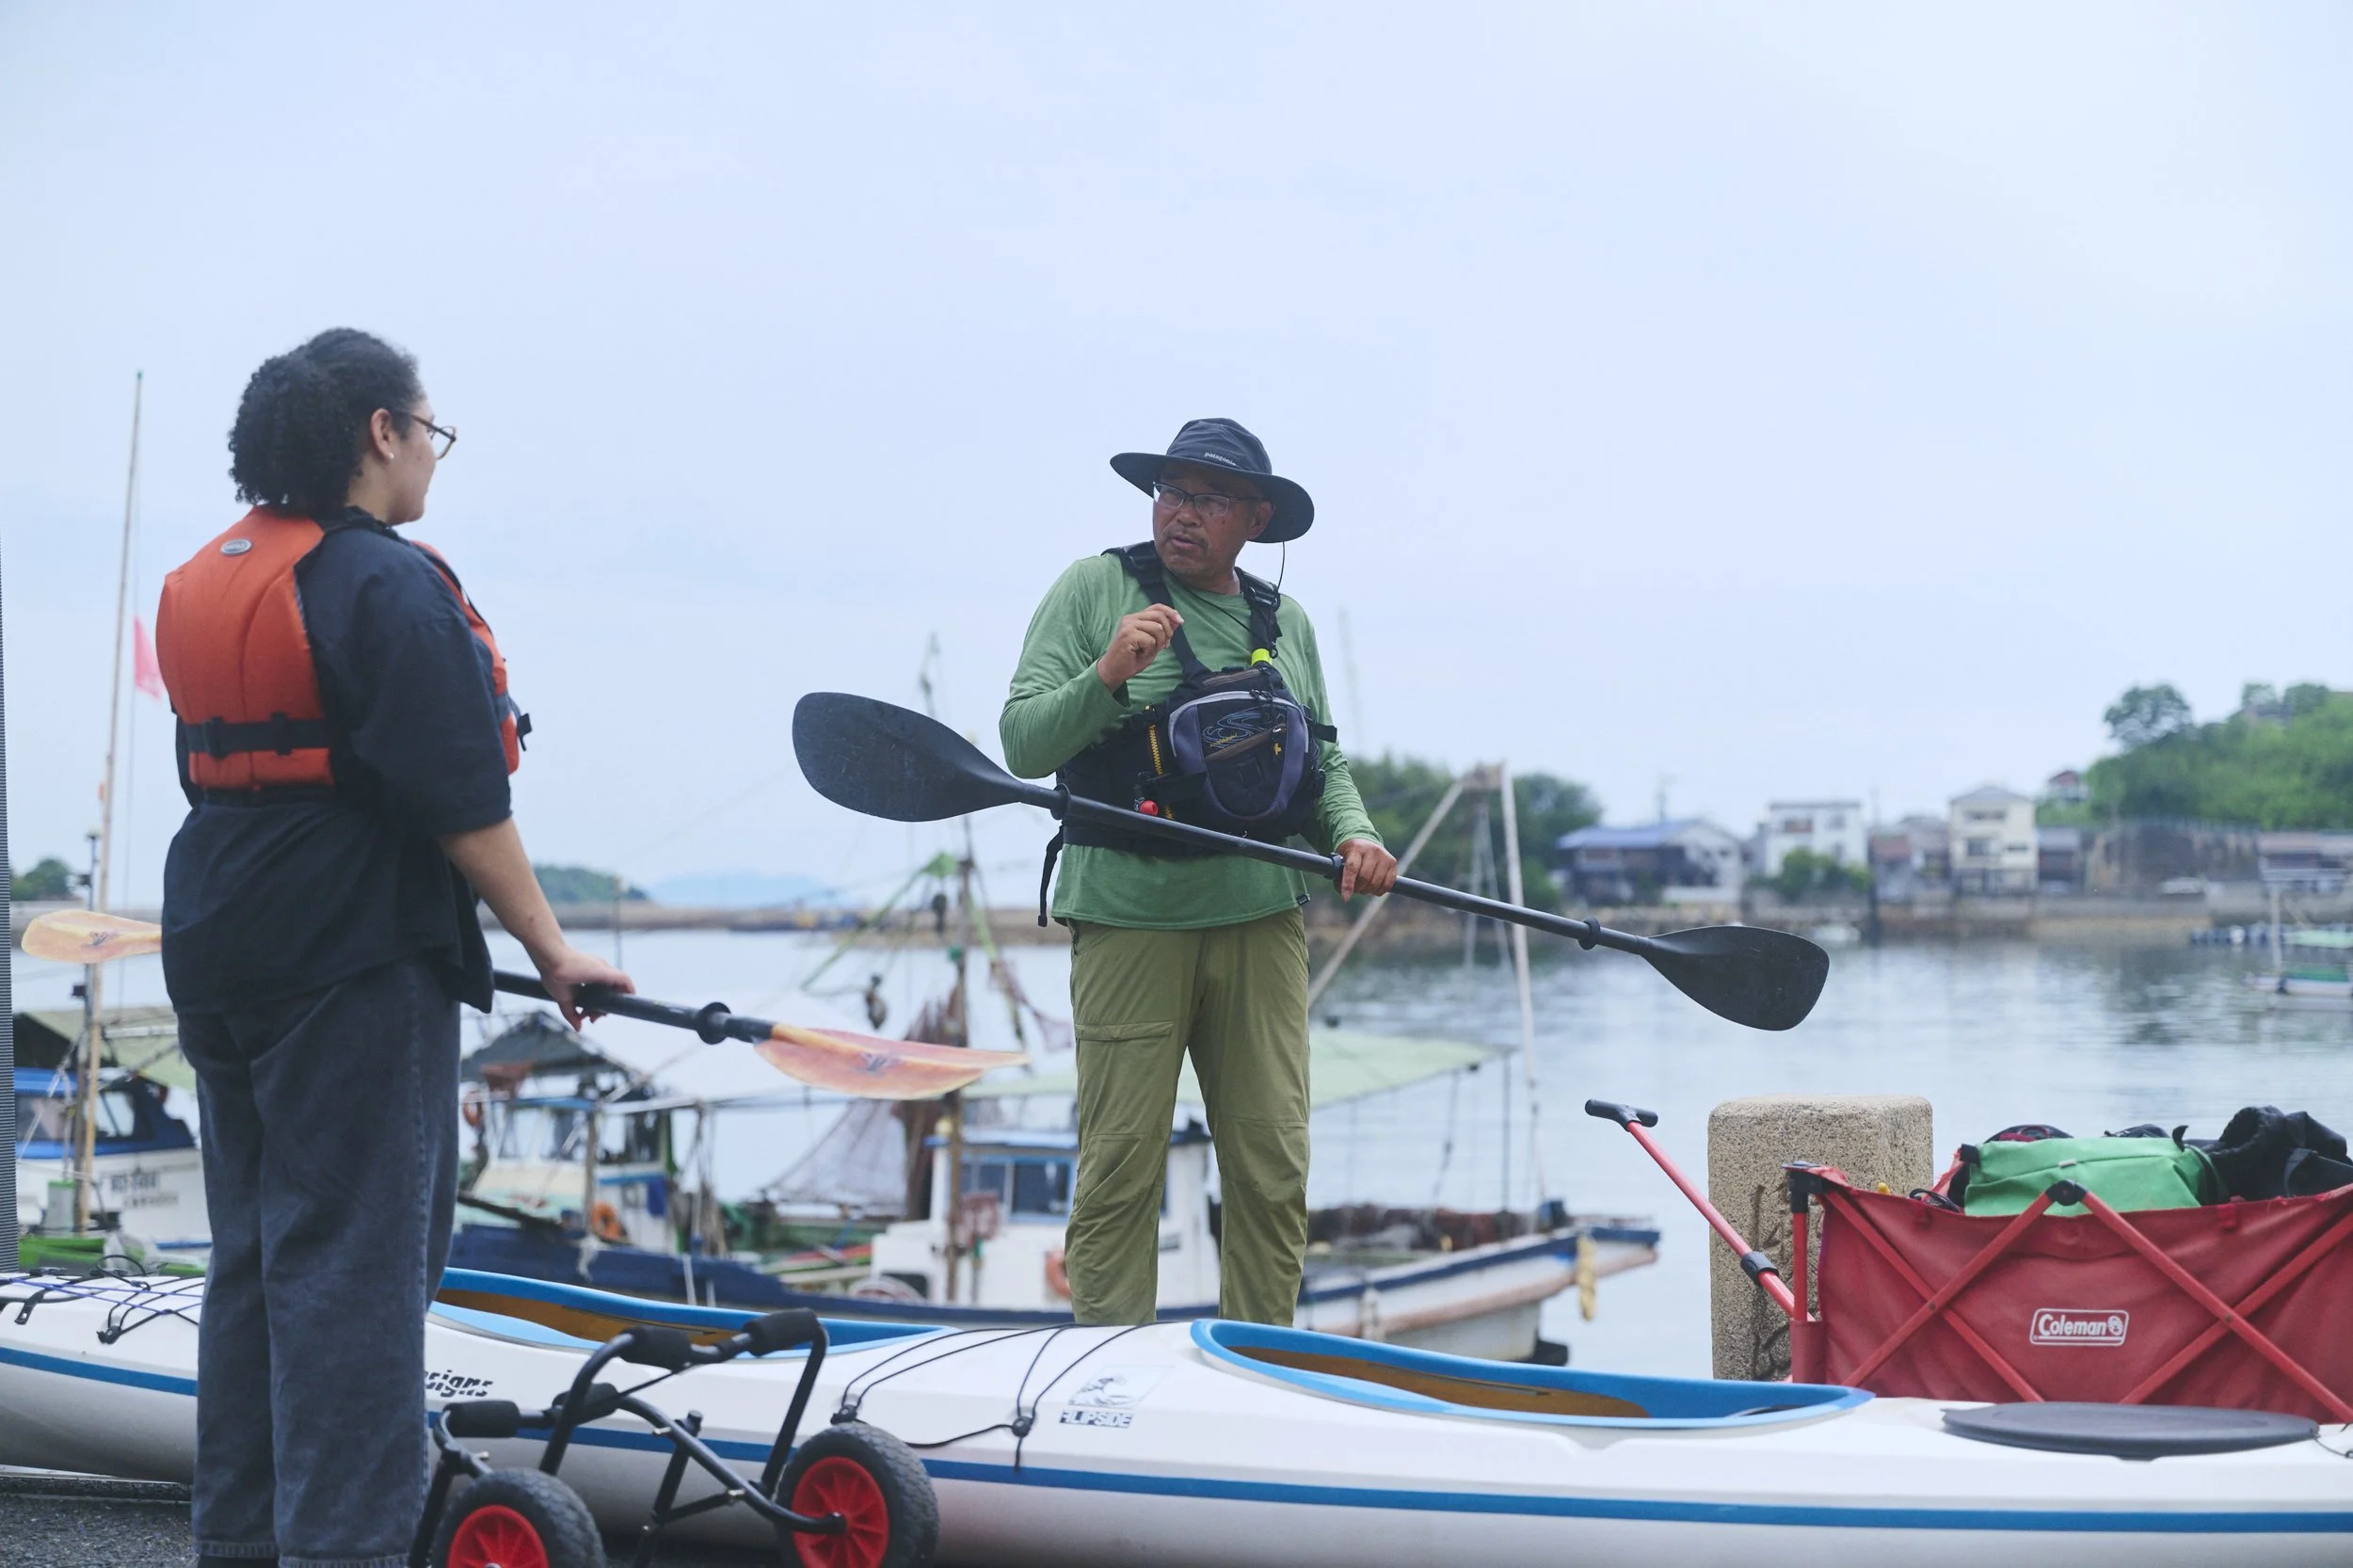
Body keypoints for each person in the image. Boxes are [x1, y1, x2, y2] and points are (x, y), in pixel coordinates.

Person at [153, 328, 633, 1568]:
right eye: (431, 432)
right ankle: (349, 1548)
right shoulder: (384, 580)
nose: (433, 456)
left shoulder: (207, 575)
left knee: (257, 1264)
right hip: (346, 955)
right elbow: (461, 797)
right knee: (358, 1271)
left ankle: (243, 1540)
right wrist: (554, 946)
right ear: (381, 431)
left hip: (219, 941)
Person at [1001, 417, 1399, 1326]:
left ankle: (1264, 1363)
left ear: (1254, 519)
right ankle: (1107, 1370)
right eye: (1170, 492)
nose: (1180, 514)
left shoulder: (1282, 621)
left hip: (1258, 914)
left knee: (1271, 1164)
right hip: (1129, 914)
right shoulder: (1094, 588)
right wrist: (1107, 672)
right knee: (1120, 1165)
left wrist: (1356, 836)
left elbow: (1324, 761)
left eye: (1208, 498)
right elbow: (1023, 744)